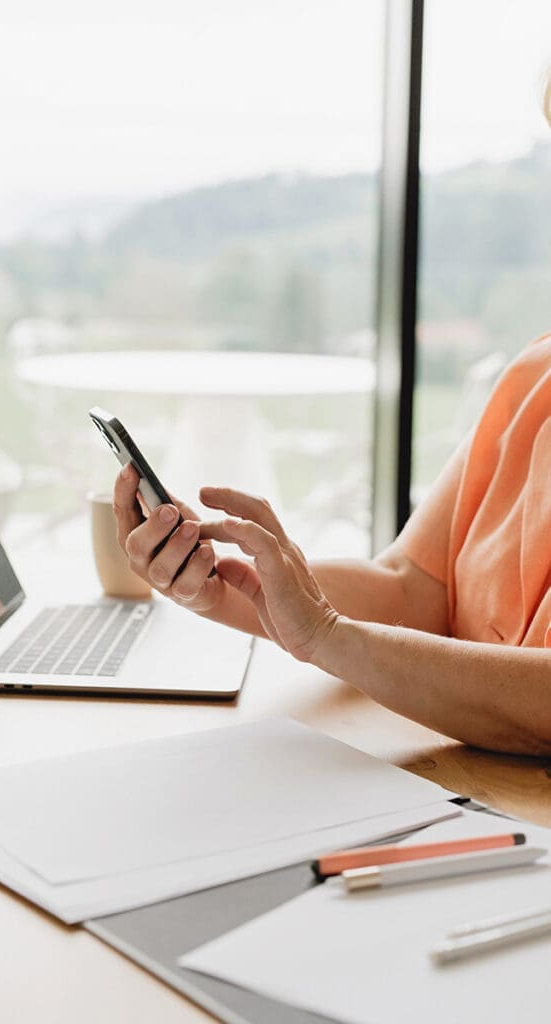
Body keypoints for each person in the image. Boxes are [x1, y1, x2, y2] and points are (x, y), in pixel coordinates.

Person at [113, 83, 551, 757]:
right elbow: (414, 591)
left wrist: (327, 637)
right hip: (461, 788)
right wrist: (240, 584)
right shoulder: (534, 375)